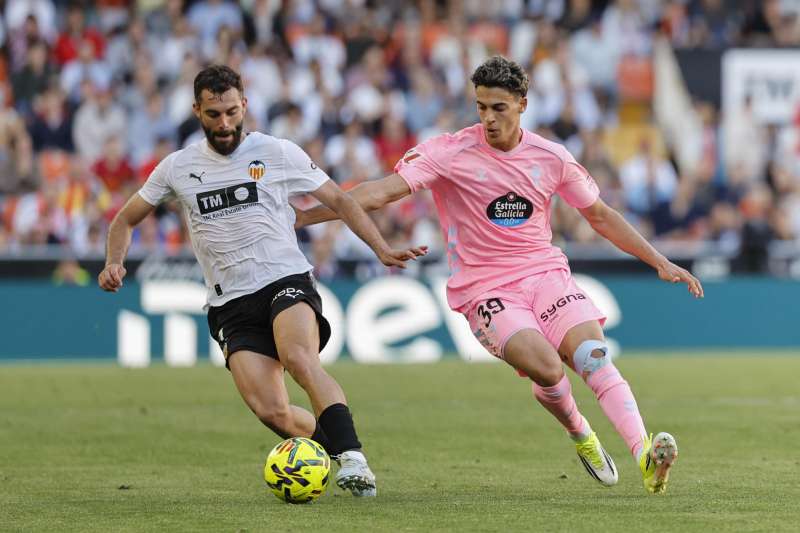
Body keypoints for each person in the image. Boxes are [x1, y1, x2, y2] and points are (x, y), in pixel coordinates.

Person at [294, 56, 704, 495]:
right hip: (485, 288)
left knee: (592, 356)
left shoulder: (551, 157)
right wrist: (304, 217)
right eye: (481, 107)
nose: (488, 118)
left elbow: (600, 215)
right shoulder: (449, 152)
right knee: (549, 369)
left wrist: (658, 260)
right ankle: (580, 431)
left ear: (522, 104)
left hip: (544, 273)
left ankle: (644, 456)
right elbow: (378, 193)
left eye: (499, 108)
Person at [98, 65, 427, 497]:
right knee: (274, 413)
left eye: (231, 112)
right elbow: (125, 219)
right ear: (197, 110)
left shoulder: (277, 152)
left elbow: (341, 200)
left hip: (283, 278)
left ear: (245, 105)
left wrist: (380, 248)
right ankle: (333, 450)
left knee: (299, 358)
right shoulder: (177, 167)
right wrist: (114, 261)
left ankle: (353, 458)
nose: (224, 123)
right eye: (213, 114)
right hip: (230, 303)